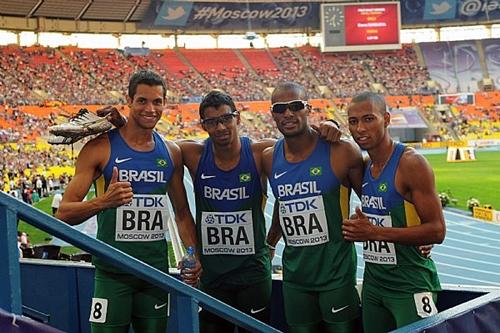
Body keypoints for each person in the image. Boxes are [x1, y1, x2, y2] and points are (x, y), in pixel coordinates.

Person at [102, 90, 342, 332]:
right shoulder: (192, 154)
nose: (220, 127)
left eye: (226, 119)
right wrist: (124, 123)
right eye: (212, 122)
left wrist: (329, 126)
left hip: (253, 274)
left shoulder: (262, 153)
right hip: (213, 275)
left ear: (237, 118)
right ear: (204, 126)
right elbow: (152, 143)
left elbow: (301, 151)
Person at [56, 70, 200, 333]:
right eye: (142, 101)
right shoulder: (100, 148)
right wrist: (103, 202)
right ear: (129, 101)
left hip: (155, 275)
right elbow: (63, 213)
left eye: (157, 102)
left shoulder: (170, 152)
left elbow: (181, 214)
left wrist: (192, 255)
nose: (150, 108)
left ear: (165, 104)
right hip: (112, 274)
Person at [264, 82, 364, 333]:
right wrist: (270, 242)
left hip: (336, 275)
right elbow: (283, 203)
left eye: (295, 106)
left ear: (308, 108)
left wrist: (415, 235)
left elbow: (375, 200)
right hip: (295, 277)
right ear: (272, 114)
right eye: (280, 108)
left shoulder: (342, 151)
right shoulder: (269, 157)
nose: (288, 113)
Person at [342, 92, 446, 333]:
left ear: (386, 119)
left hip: (410, 284)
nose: (360, 128)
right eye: (353, 121)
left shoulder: (411, 163)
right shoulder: (366, 167)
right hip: (374, 284)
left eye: (369, 119)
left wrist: (375, 232)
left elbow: (437, 231)